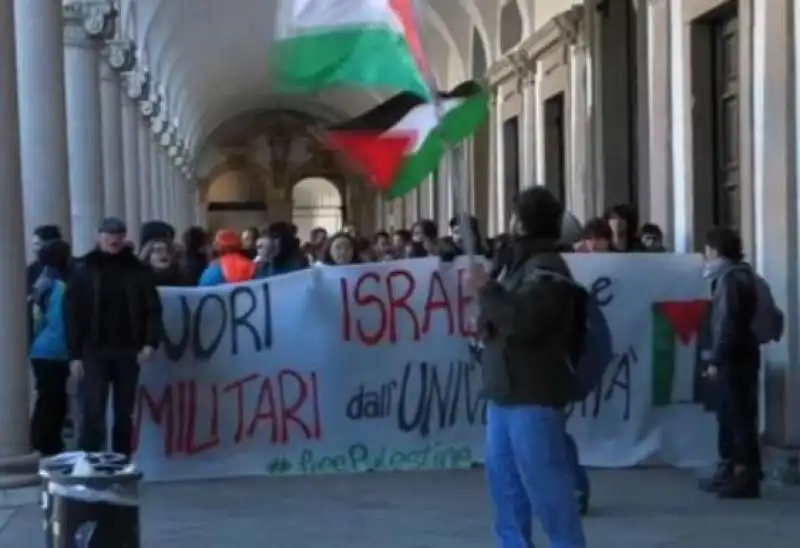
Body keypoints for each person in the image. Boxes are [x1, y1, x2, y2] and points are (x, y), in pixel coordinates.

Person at [467, 187, 586, 548]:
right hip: (505, 389)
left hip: (532, 392)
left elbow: (526, 321)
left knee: (547, 489)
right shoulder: (517, 264)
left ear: (523, 222)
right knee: (504, 485)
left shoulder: (548, 269)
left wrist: (487, 291)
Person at [64, 217, 162, 459]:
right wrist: (74, 354)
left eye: (119, 234)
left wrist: (150, 342)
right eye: (110, 234)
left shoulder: (138, 270)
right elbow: (72, 314)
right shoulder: (83, 270)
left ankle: (120, 462)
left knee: (124, 412)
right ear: (100, 236)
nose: (114, 239)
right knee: (93, 409)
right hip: (93, 350)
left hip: (128, 349)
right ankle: (89, 462)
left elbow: (152, 309)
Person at [699, 226, 761, 498]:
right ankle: (734, 471)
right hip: (745, 355)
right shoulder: (742, 275)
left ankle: (743, 476)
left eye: (708, 249)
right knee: (736, 416)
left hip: (734, 359)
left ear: (715, 250)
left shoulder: (728, 280)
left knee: (735, 418)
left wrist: (716, 359)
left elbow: (727, 324)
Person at [29, 239, 72, 456]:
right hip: (56, 350)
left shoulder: (41, 282)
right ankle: (47, 441)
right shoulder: (62, 285)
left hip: (41, 348)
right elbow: (60, 321)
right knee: (54, 399)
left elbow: (38, 319)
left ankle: (43, 439)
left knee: (48, 397)